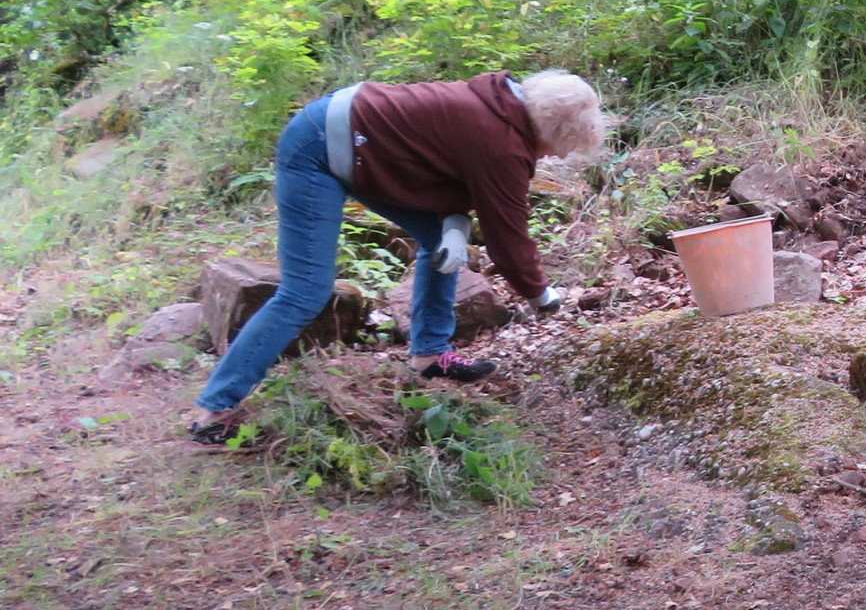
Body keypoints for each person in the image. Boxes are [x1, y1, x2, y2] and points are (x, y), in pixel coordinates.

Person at [188, 69, 606, 443]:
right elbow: (507, 239)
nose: (556, 155)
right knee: (306, 291)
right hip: (320, 148)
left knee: (442, 240)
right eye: (561, 146)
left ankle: (430, 355)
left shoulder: (501, 104)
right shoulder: (501, 143)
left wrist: (455, 223)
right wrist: (541, 296)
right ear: (554, 127)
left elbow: (443, 174)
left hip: (361, 147)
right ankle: (215, 409)